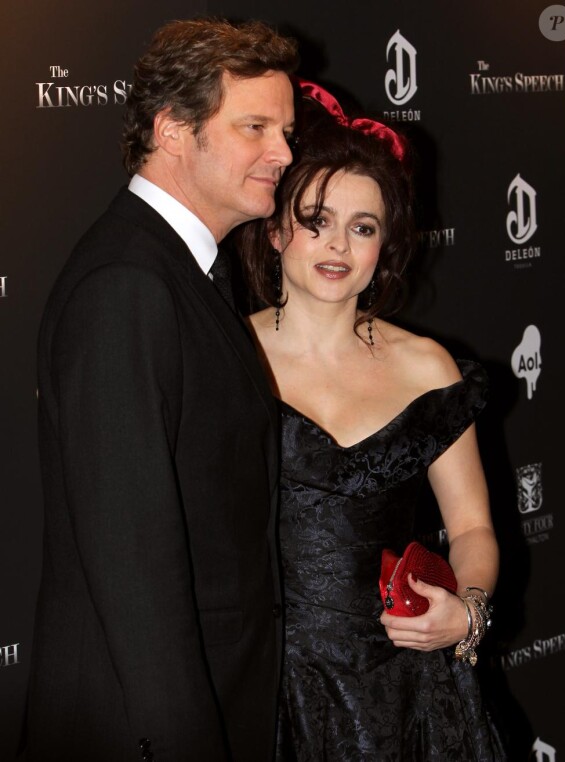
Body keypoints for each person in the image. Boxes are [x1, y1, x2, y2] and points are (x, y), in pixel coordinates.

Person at [23, 18, 298, 762]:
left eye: (285, 130)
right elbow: (134, 570)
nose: (283, 152)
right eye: (255, 127)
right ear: (173, 129)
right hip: (142, 730)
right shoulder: (127, 286)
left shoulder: (182, 270)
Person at [239, 81, 506, 760]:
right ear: (275, 230)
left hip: (409, 693)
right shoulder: (224, 358)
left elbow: (472, 526)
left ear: (384, 247)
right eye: (317, 220)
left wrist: (465, 612)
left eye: (363, 227)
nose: (337, 246)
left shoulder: (427, 368)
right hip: (269, 689)